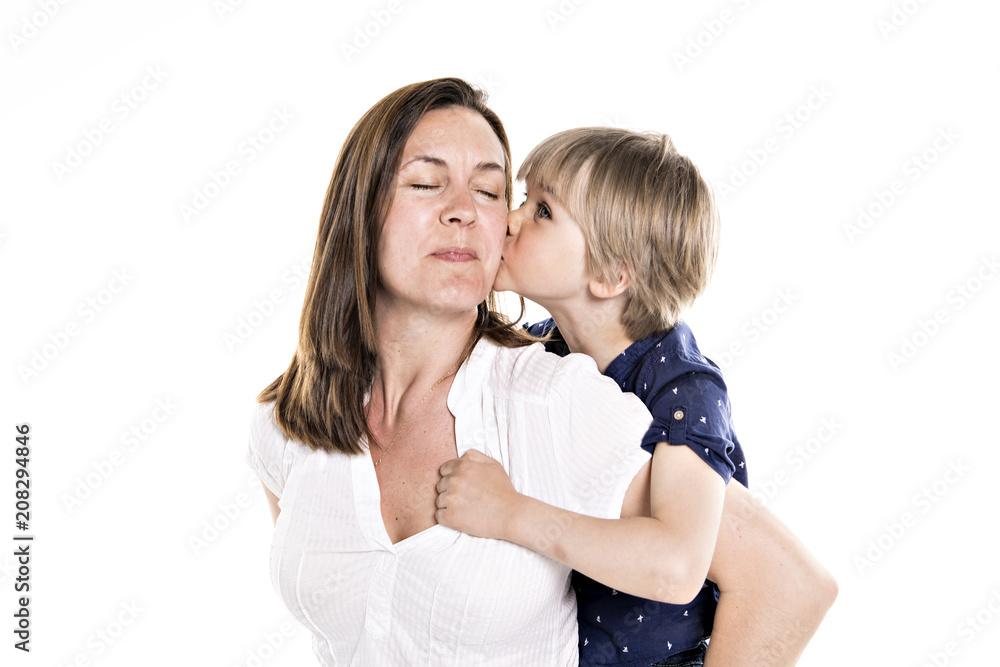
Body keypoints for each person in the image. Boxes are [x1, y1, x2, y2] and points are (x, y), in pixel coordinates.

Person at [247, 77, 835, 666]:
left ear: (612, 275)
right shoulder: (284, 421)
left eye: (489, 191)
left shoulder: (580, 393)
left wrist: (513, 514)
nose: (481, 215)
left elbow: (775, 583)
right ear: (357, 209)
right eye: (426, 183)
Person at [435, 127, 837, 665]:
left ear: (609, 275)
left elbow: (677, 565)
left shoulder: (681, 388)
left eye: (543, 210)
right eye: (524, 198)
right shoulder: (547, 349)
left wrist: (510, 514)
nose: (510, 218)